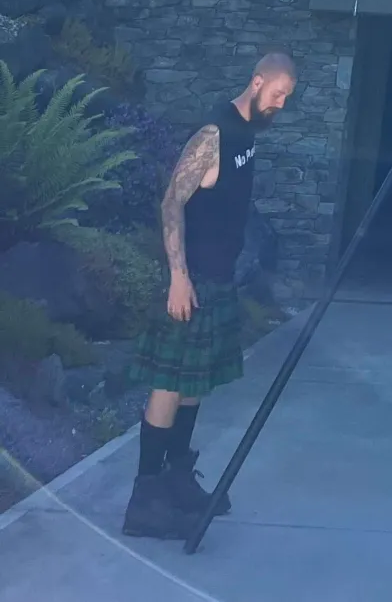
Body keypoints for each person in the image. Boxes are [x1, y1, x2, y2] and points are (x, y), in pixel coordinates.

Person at [122, 52, 298, 541]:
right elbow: (172, 200)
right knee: (169, 382)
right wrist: (179, 276)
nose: (281, 104)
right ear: (257, 81)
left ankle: (177, 478)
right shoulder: (214, 134)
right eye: (277, 93)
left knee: (197, 383)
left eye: (287, 97)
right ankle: (145, 497)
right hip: (193, 279)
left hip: (219, 280)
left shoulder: (248, 138)